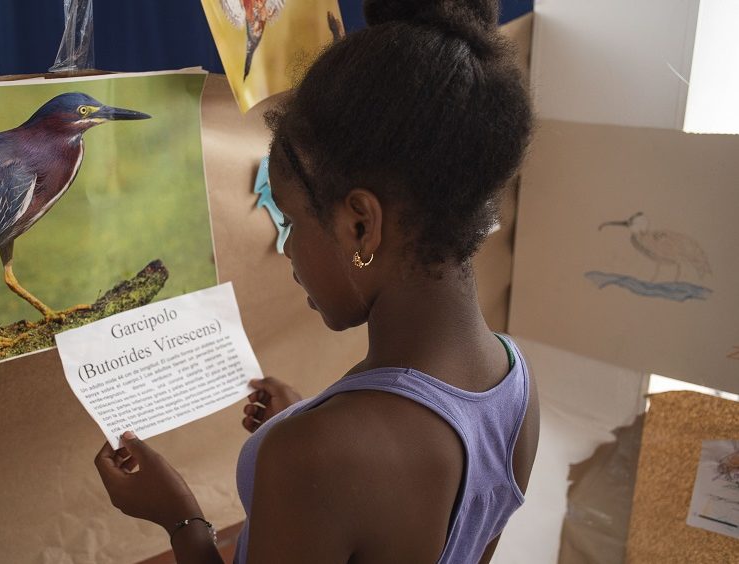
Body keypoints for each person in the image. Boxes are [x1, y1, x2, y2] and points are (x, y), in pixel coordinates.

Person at [93, 0, 539, 561]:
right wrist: (312, 418)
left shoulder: (313, 455)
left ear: (360, 225)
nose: (286, 247)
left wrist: (181, 518)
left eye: (292, 221)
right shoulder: (517, 385)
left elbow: (346, 472)